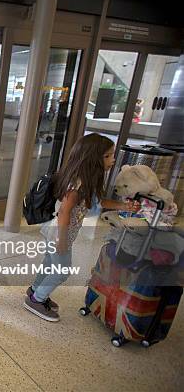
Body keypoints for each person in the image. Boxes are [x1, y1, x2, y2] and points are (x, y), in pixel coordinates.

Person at [24, 133, 141, 322]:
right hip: (59, 231)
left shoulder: (88, 179)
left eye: (112, 155)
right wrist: (61, 240)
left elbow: (99, 201)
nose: (113, 160)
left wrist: (125, 206)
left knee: (50, 263)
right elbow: (64, 212)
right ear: (92, 158)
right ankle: (37, 300)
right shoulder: (78, 183)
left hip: (55, 229)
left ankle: (36, 290)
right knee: (62, 270)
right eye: (107, 156)